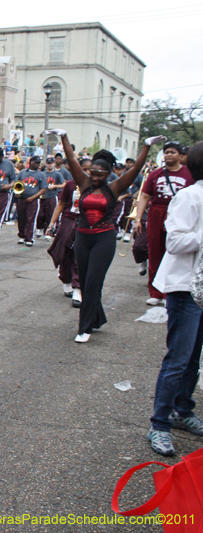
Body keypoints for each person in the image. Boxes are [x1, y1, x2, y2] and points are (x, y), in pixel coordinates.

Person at [49, 128, 165, 343]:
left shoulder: (115, 187)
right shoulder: (83, 183)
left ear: (109, 173)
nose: (94, 177)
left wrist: (147, 145)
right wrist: (64, 136)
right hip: (82, 238)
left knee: (93, 282)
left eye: (99, 174)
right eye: (92, 172)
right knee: (85, 282)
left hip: (104, 239)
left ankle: (84, 328)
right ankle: (97, 317)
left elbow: (137, 167)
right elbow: (72, 159)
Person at [146, 141, 203, 456]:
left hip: (202, 287)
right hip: (185, 287)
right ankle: (159, 425)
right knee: (179, 359)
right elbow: (176, 241)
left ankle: (183, 410)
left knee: (194, 359)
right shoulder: (190, 196)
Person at [132, 141, 194, 306]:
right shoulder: (155, 174)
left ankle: (170, 293)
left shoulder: (189, 174)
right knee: (155, 251)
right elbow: (145, 196)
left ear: (180, 156)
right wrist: (138, 219)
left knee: (174, 253)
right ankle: (155, 292)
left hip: (179, 213)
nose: (168, 155)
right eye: (166, 152)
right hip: (156, 213)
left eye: (172, 152)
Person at [46, 179, 81, 307]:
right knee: (65, 253)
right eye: (84, 169)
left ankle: (78, 287)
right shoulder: (70, 185)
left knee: (80, 255)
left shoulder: (94, 185)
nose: (87, 173)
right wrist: (52, 223)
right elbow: (61, 204)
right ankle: (66, 279)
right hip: (68, 221)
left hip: (85, 223)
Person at [14, 156, 47, 246]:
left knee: (31, 218)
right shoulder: (22, 172)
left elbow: (43, 188)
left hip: (33, 200)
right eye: (36, 162)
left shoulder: (41, 174)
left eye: (38, 163)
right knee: (21, 218)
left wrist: (33, 197)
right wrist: (17, 193)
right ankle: (22, 235)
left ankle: (29, 238)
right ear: (31, 162)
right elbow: (17, 184)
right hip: (22, 198)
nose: (37, 164)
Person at [36, 156, 65, 241]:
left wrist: (55, 186)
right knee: (40, 214)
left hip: (52, 196)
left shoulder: (57, 174)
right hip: (42, 196)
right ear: (46, 164)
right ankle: (40, 228)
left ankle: (48, 232)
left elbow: (63, 184)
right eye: (48, 163)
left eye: (51, 163)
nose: (50, 165)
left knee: (51, 214)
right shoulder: (42, 173)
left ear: (54, 164)